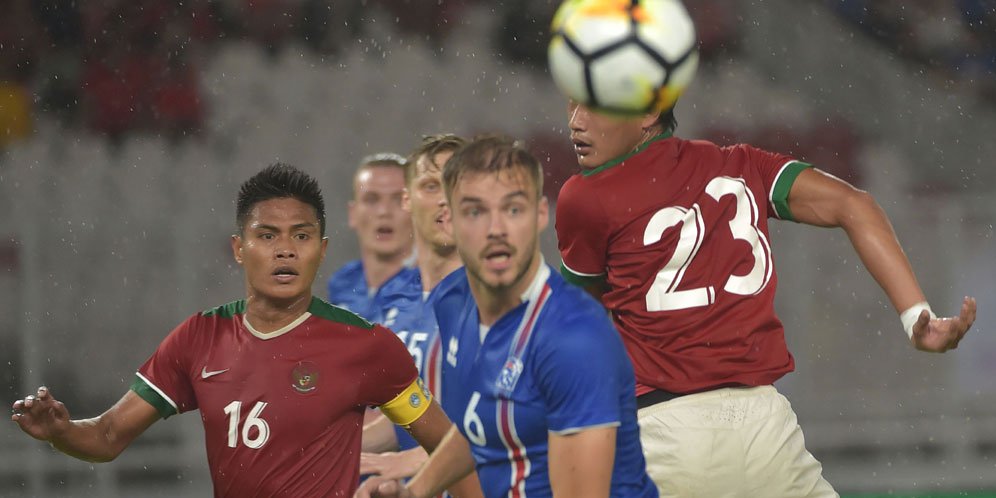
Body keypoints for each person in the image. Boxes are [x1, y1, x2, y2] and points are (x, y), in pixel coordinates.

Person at [555, 99, 979, 496]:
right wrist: (916, 316)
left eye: (591, 105)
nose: (575, 120)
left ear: (649, 111)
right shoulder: (741, 165)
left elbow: (578, 329)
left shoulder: (586, 196)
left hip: (661, 435)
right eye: (572, 103)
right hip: (765, 430)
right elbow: (855, 205)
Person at [11, 164, 456, 498]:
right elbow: (108, 436)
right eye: (267, 236)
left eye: (301, 237)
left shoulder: (367, 346)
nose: (285, 249)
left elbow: (455, 447)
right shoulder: (198, 338)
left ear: (321, 250)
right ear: (239, 249)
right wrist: (62, 432)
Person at [358, 135, 658, 498]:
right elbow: (479, 423)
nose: (495, 228)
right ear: (449, 217)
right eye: (475, 211)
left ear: (541, 214)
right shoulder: (453, 304)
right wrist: (415, 491)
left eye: (512, 209)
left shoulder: (575, 338)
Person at [329, 152, 415, 319]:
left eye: (399, 200)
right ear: (352, 214)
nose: (384, 212)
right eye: (372, 199)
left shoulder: (433, 288)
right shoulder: (343, 283)